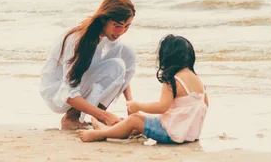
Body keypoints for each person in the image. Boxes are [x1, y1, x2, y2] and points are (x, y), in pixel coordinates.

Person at [78, 34, 209, 144]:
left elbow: (162, 107)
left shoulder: (173, 80)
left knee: (134, 119)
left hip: (171, 134)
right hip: (189, 134)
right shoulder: (198, 81)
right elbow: (205, 104)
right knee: (140, 123)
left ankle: (101, 133)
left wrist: (138, 106)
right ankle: (109, 128)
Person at [39, 0, 136, 129]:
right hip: (57, 93)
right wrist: (106, 116)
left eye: (127, 26)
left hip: (74, 89)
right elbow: (68, 92)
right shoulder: (77, 40)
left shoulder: (110, 39)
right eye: (117, 25)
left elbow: (122, 74)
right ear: (104, 20)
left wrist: (131, 106)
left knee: (125, 54)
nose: (121, 31)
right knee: (117, 65)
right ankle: (72, 118)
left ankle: (98, 118)